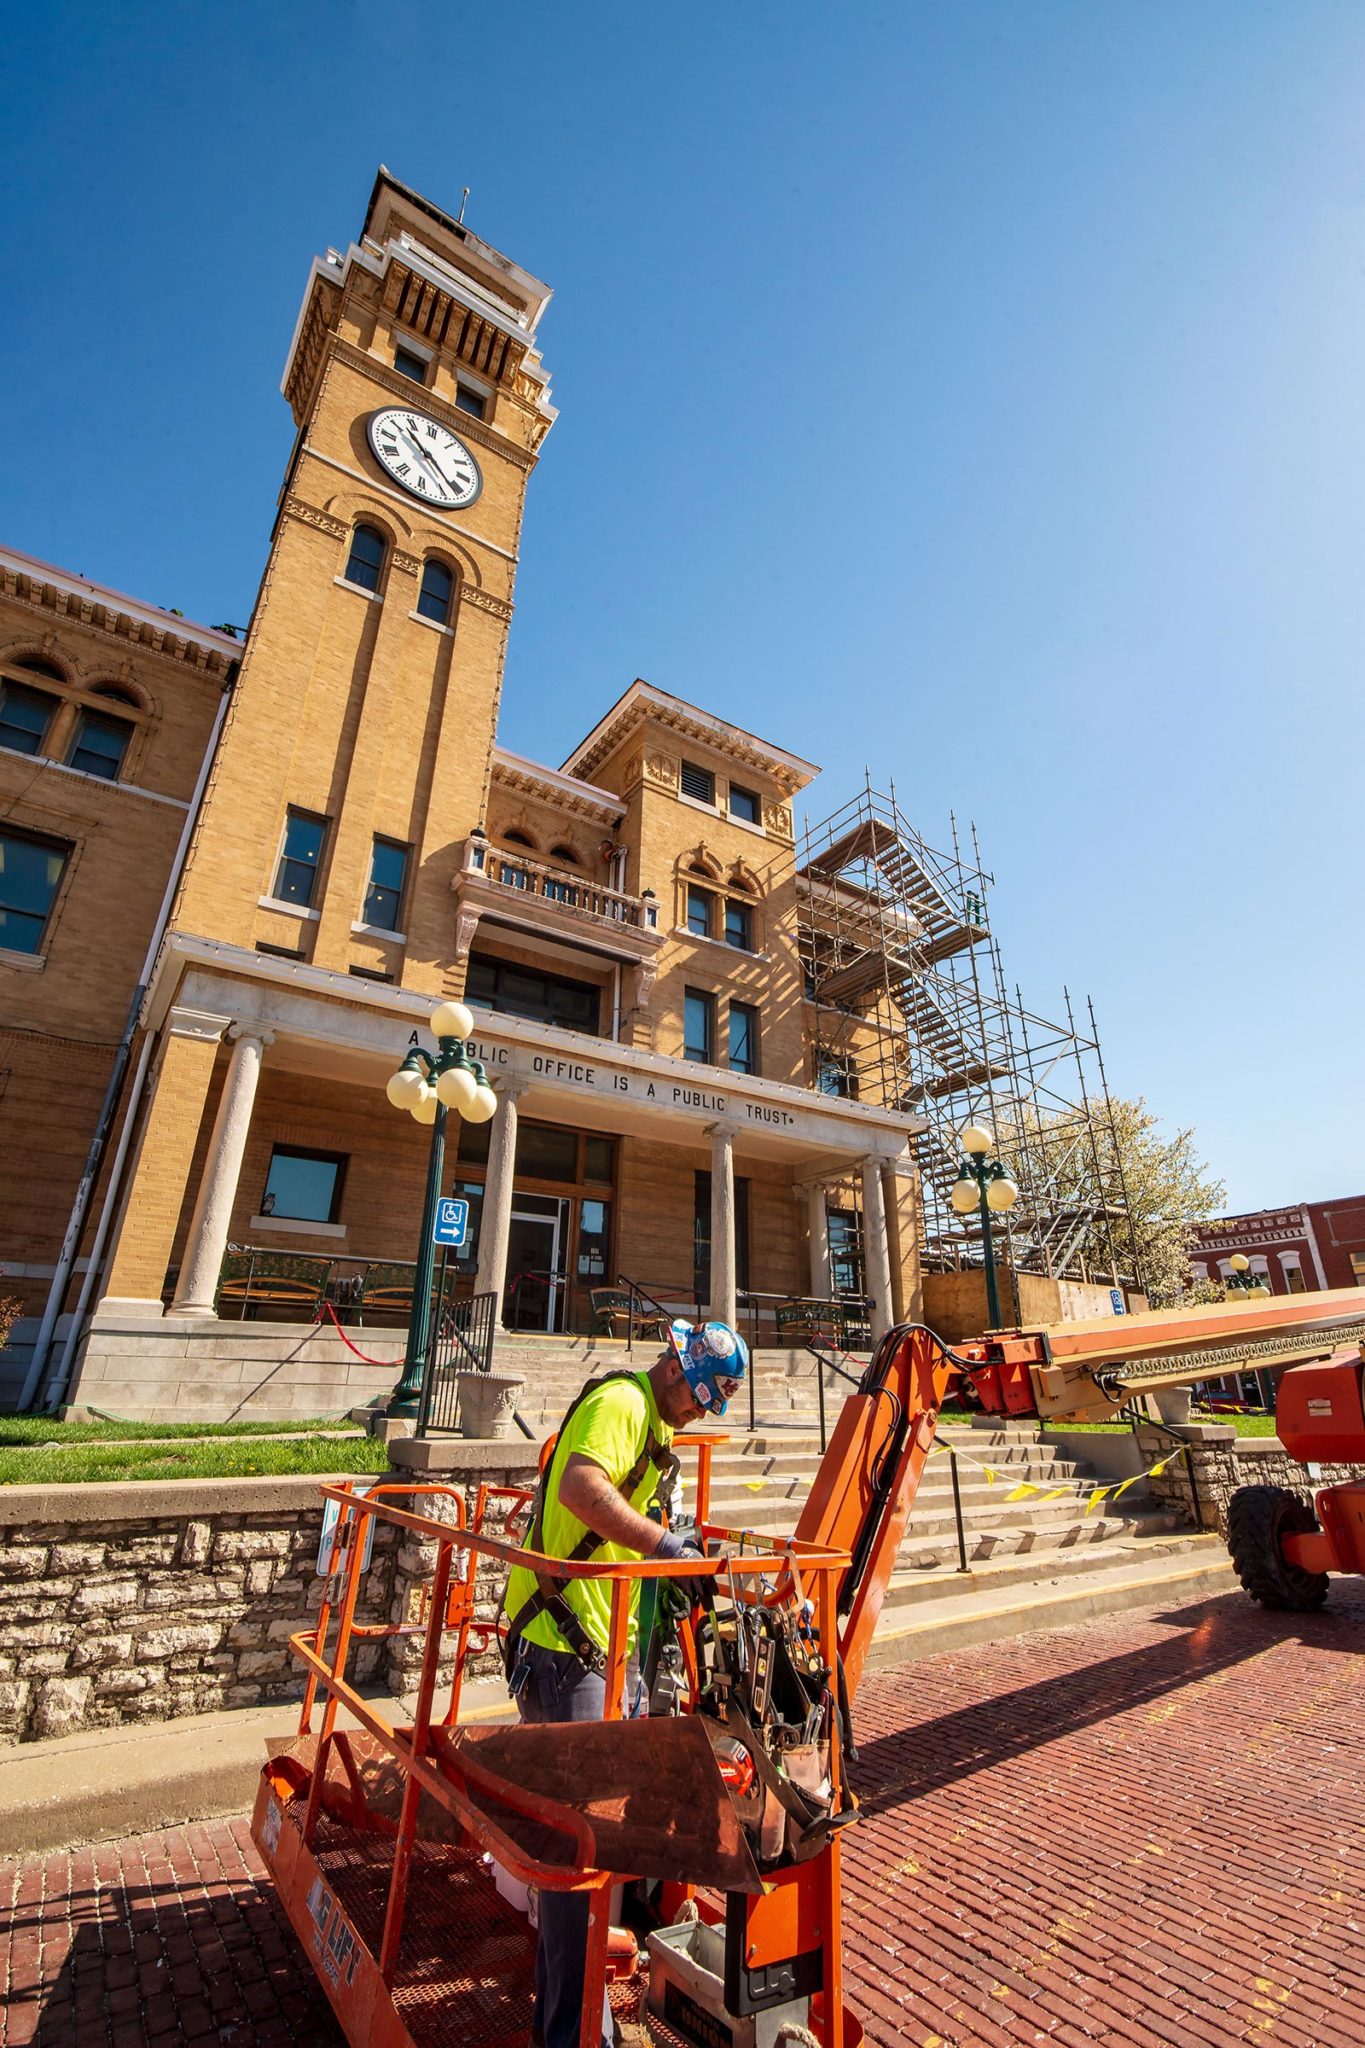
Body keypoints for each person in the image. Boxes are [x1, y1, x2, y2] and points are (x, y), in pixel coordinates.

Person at [502, 1318, 750, 2048]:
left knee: (588, 1847)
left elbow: (629, 1517)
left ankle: (576, 2017)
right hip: (562, 1647)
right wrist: (668, 1548)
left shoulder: (658, 1431)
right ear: (676, 1371)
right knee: (580, 1851)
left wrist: (681, 1554)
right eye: (702, 1398)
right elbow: (582, 1487)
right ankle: (575, 2035)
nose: (701, 1413)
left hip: (603, 1648)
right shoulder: (624, 1405)